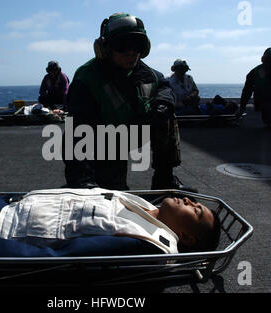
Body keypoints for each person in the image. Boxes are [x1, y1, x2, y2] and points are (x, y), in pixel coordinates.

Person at [0, 188, 221, 257]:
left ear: (186, 237)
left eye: (197, 210)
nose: (191, 201)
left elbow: (66, 256)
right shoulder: (142, 206)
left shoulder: (146, 241)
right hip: (0, 206)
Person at [64, 13, 196, 192]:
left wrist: (163, 102)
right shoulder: (87, 78)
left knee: (167, 117)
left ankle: (164, 179)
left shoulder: (147, 73)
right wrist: (81, 178)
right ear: (105, 47)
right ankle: (84, 180)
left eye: (137, 45)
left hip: (132, 131)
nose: (131, 52)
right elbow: (77, 132)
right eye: (122, 45)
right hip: (103, 139)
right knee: (111, 194)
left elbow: (164, 85)